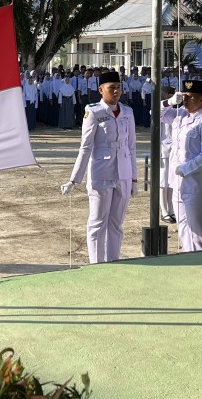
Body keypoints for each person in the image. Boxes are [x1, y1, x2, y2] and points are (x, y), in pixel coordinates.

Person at [61, 71, 138, 264]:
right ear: (100, 90)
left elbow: (132, 146)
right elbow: (85, 147)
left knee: (117, 223)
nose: (116, 91)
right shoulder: (94, 111)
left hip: (124, 173)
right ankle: (97, 264)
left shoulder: (127, 112)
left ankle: (113, 261)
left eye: (119, 87)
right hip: (101, 173)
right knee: (97, 223)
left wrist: (135, 178)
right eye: (112, 88)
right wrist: (74, 179)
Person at [162, 80, 202, 252]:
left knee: (199, 235)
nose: (185, 100)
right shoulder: (179, 115)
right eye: (184, 96)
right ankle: (190, 266)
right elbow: (155, 114)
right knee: (184, 231)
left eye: (190, 97)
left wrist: (184, 169)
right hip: (178, 185)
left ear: (201, 100)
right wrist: (170, 102)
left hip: (197, 185)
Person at [159, 86, 177, 224]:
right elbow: (157, 111)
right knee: (162, 183)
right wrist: (169, 102)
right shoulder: (161, 109)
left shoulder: (177, 111)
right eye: (169, 95)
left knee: (171, 182)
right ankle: (163, 210)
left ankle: (171, 209)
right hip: (163, 151)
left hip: (174, 152)